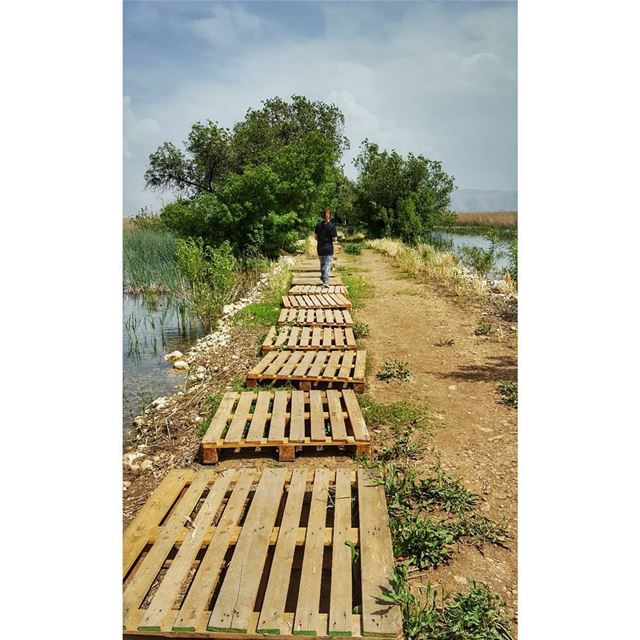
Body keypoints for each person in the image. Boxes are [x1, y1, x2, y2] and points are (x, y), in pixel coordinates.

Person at [314, 207, 337, 287]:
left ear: (323, 216)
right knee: (327, 265)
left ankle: (323, 278)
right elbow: (334, 239)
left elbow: (315, 237)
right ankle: (326, 281)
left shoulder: (318, 225)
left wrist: (321, 240)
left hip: (320, 248)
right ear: (330, 216)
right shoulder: (332, 226)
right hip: (328, 249)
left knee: (322, 264)